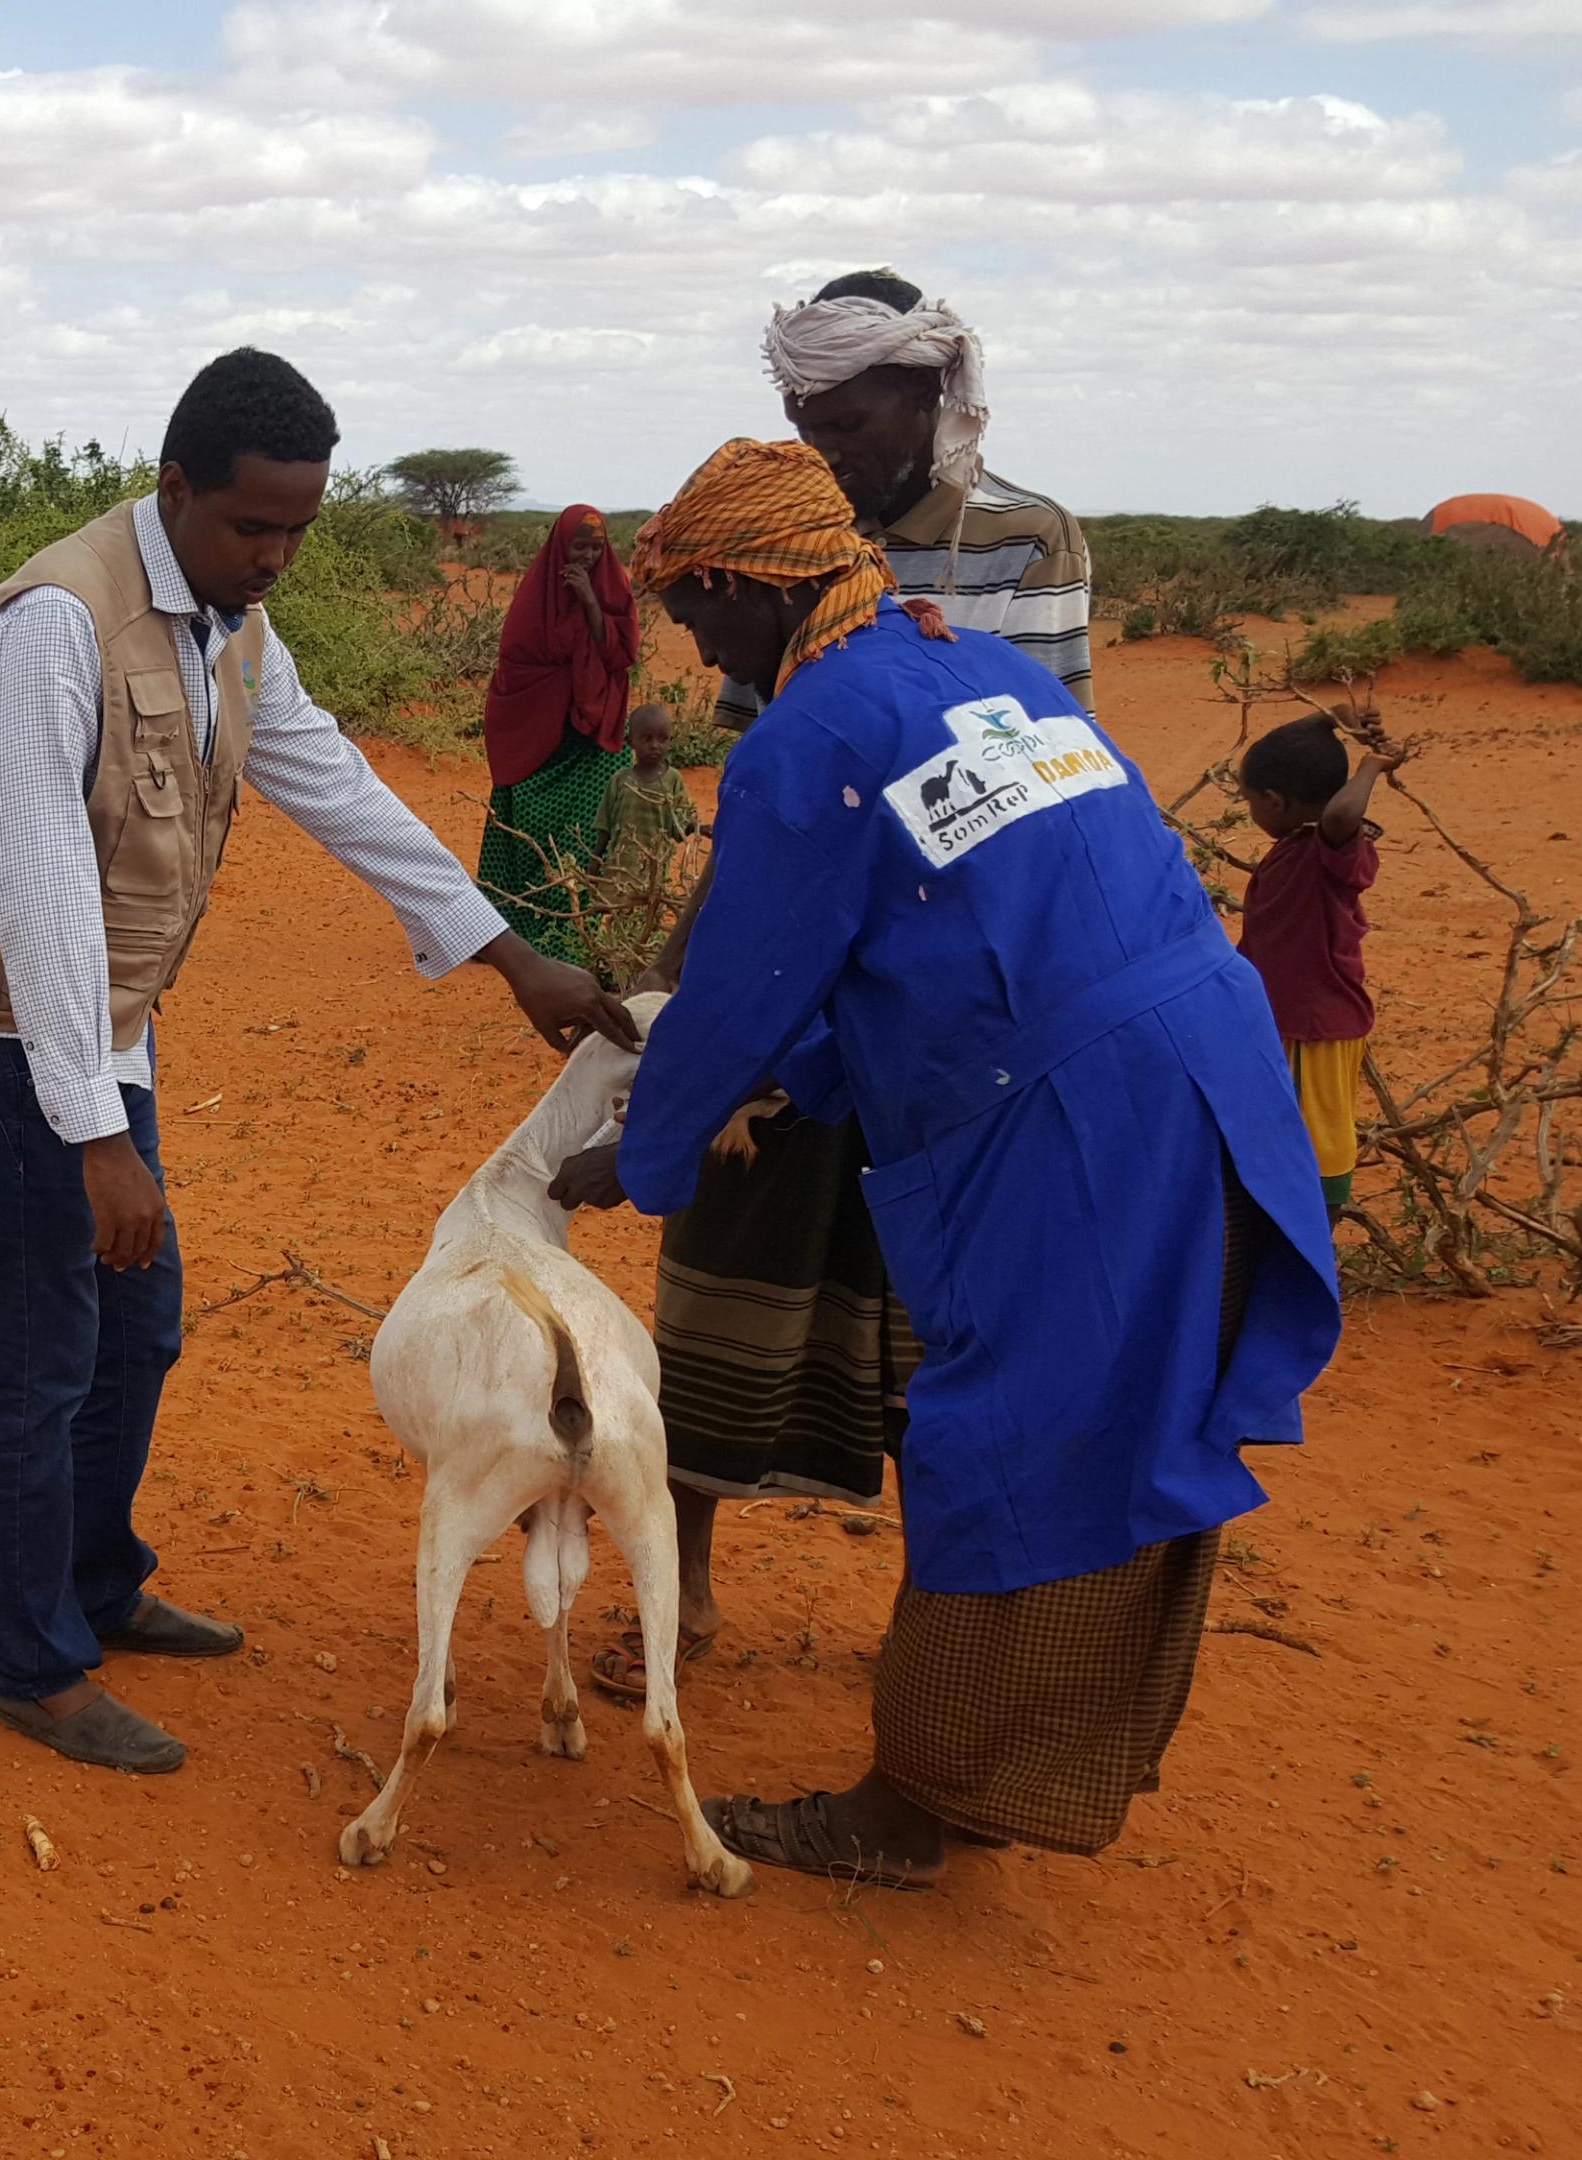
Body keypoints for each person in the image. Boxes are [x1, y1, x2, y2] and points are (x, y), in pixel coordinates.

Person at [584, 437, 1338, 1886]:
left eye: (694, 613)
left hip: (1083, 1122)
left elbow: (748, 987)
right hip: (1206, 1073)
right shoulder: (985, 677)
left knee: (1010, 1437)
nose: (697, 648)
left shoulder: (809, 739)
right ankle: (1017, 1758)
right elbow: (911, 944)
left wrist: (649, 1154)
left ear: (746, 586)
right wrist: (778, 1091)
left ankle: (913, 1808)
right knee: (1110, 1416)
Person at [0, 348, 639, 1775]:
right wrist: (96, 1135)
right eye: (252, 527)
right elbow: (38, 891)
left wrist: (504, 950)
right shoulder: (56, 627)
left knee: (136, 1323)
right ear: (177, 492)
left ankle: (95, 1585)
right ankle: (31, 1665)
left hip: (102, 1025)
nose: (277, 556)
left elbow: (327, 775)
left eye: (300, 528)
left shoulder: (229, 622)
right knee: (44, 1351)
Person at [586, 267, 1098, 1710]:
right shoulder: (770, 541)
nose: (827, 443)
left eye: (847, 413)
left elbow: (1026, 768)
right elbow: (768, 801)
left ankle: (934, 1649)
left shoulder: (1020, 539)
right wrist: (693, 1014)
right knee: (716, 1283)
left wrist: (652, 1125)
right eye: (801, 414)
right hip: (806, 965)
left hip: (942, 998)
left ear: (929, 394)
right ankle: (680, 1597)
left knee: (938, 1331)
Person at [1236, 714, 1413, 1214]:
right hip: (1289, 1019)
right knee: (1285, 1131)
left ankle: (1314, 1230)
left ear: (1275, 801)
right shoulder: (1296, 847)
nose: (1250, 810)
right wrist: (1329, 717)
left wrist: (1371, 768)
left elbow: (1339, 819)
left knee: (1316, 1146)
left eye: (1250, 800)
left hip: (1315, 1026)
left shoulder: (1332, 850)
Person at [474, 505, 642, 964]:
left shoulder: (613, 587)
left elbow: (623, 653)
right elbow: (518, 660)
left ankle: (572, 929)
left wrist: (590, 602)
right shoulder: (536, 593)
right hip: (540, 727)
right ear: (560, 545)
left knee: (591, 827)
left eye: (596, 546)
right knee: (528, 819)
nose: (587, 555)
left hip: (594, 731)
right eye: (579, 545)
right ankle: (511, 929)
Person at [589, 702, 700, 899]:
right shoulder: (621, 780)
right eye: (646, 739)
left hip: (654, 871)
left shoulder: (673, 779)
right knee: (616, 917)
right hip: (619, 869)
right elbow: (605, 826)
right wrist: (595, 864)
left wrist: (698, 827)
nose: (655, 746)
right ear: (630, 742)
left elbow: (679, 825)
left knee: (647, 917)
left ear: (671, 741)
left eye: (662, 739)